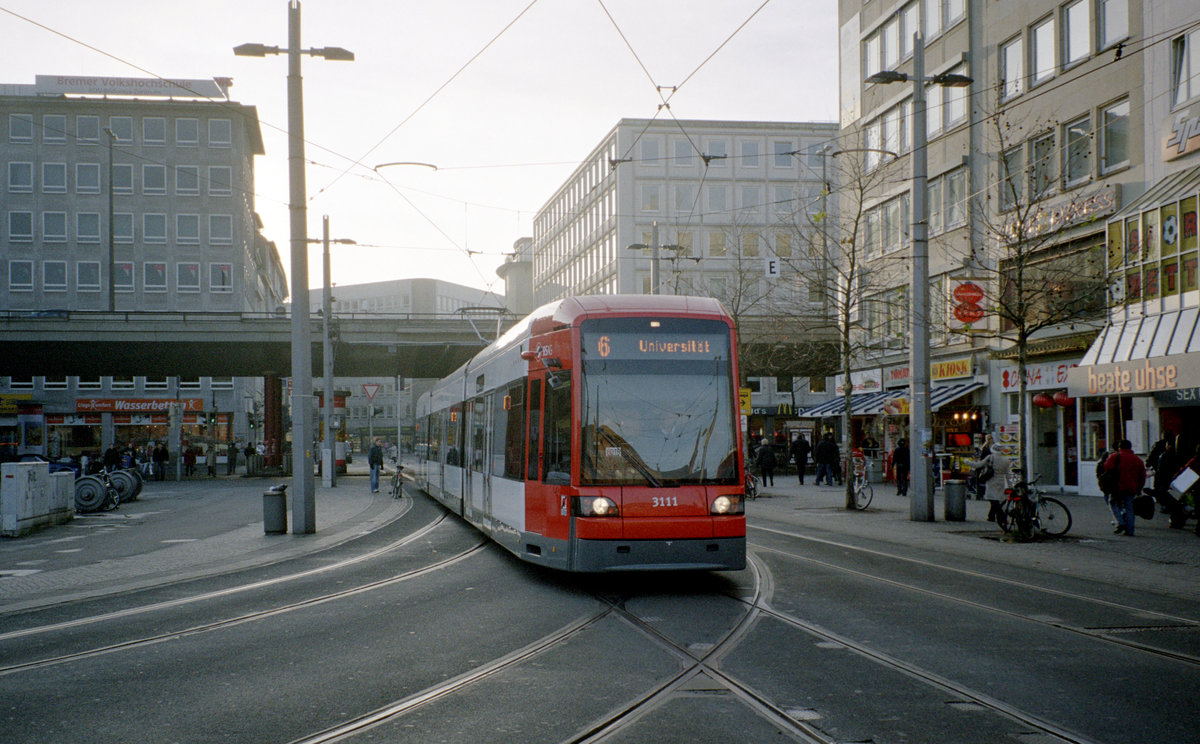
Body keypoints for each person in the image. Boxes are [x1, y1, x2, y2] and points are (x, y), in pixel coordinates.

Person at [1103, 439, 1147, 537]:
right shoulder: (1137, 459)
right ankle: (1130, 530)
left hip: (1117, 486)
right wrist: (1139, 488)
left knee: (1113, 502)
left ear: (1119, 447)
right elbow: (1142, 476)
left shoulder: (1115, 456)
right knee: (1129, 507)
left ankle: (1120, 522)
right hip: (1131, 488)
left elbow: (1106, 467)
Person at [970, 444, 1010, 522]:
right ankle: (991, 516)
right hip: (1001, 481)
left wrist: (968, 462)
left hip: (991, 480)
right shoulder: (1006, 460)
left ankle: (1001, 517)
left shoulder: (990, 457)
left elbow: (978, 465)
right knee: (997, 499)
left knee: (993, 500)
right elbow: (1007, 473)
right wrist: (1010, 484)